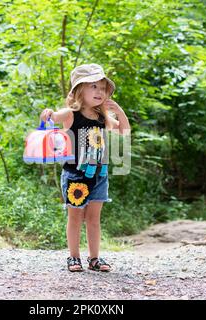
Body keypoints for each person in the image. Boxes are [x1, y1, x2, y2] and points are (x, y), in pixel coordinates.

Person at [40, 63, 130, 272]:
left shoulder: (103, 117)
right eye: (93, 87)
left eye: (102, 87)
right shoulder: (72, 114)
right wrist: (48, 114)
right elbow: (54, 116)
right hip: (75, 175)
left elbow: (124, 132)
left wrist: (118, 110)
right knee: (75, 217)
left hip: (99, 175)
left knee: (93, 219)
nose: (99, 92)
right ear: (80, 90)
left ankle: (95, 258)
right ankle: (73, 257)